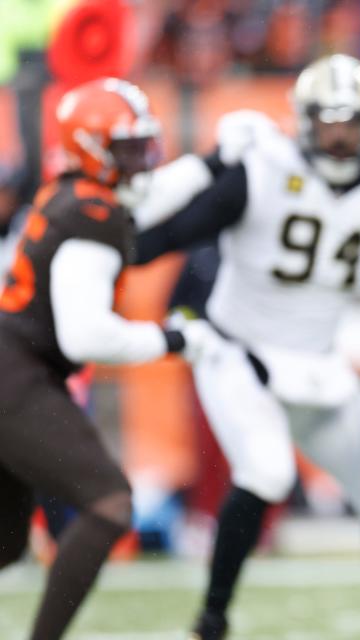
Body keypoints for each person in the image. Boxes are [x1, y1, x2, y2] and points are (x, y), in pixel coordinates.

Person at [130, 54, 360, 640]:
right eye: (327, 120)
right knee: (266, 470)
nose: (339, 136)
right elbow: (167, 236)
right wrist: (114, 242)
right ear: (303, 120)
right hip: (240, 351)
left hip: (318, 366)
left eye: (351, 122)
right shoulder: (260, 167)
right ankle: (210, 622)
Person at [0, 77, 218, 640]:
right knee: (109, 505)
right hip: (16, 373)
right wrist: (171, 340)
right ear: (92, 149)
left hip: (15, 365)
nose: (141, 158)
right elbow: (86, 337)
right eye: (126, 147)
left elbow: (145, 201)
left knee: (5, 542)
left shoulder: (78, 195)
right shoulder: (91, 214)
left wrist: (209, 165)